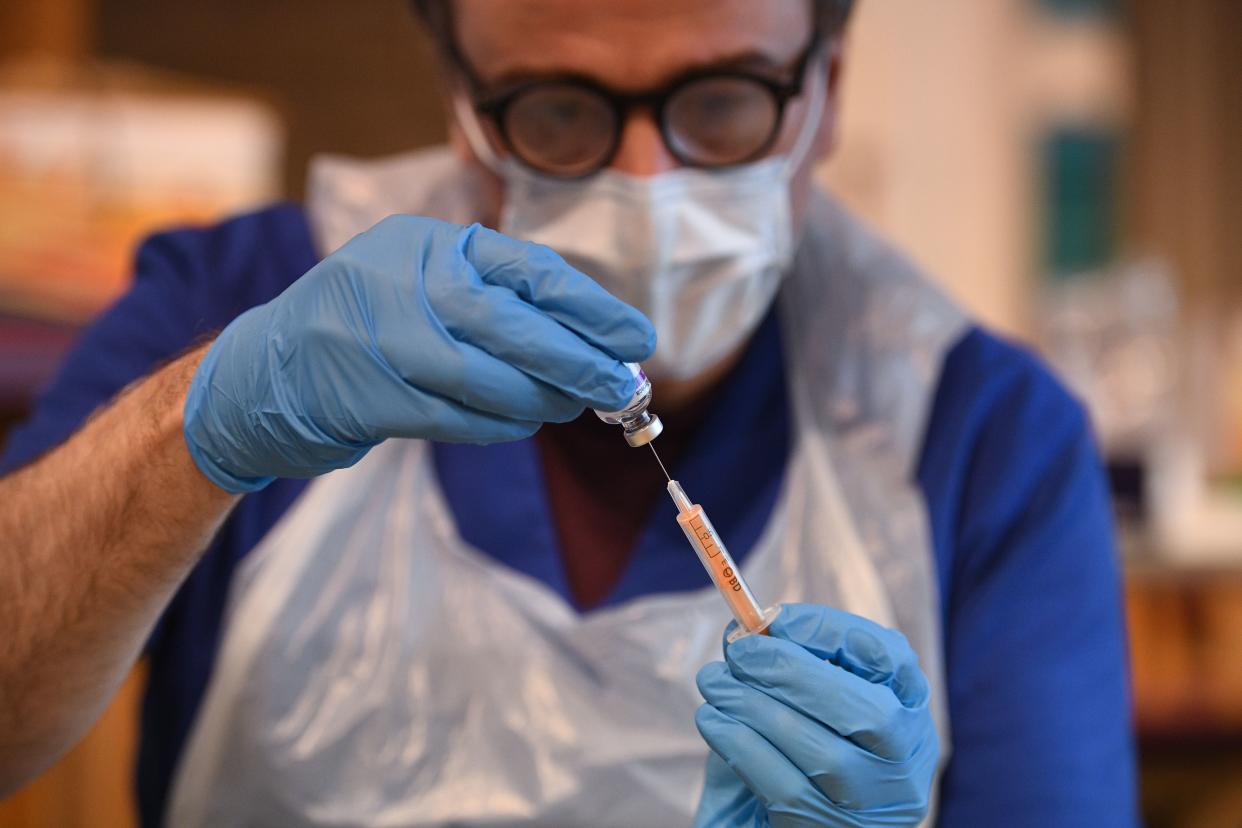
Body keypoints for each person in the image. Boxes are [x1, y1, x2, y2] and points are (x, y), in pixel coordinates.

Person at [0, 0, 1138, 825]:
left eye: (726, 101)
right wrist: (193, 432)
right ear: (464, 105)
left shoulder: (982, 436)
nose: (646, 186)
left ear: (827, 89)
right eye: (558, 111)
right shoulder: (239, 307)